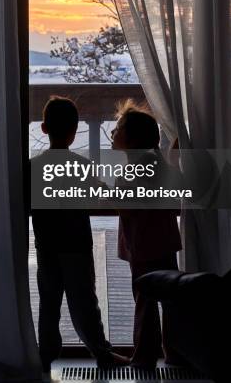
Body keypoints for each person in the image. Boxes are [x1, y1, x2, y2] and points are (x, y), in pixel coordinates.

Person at [31, 96, 127, 376]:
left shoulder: (32, 167)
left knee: (49, 304)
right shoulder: (80, 167)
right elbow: (100, 196)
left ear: (44, 128)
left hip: (47, 246)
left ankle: (45, 357)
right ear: (74, 133)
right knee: (84, 301)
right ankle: (101, 351)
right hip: (76, 244)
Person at [111, 99, 182, 368]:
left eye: (117, 129)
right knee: (169, 299)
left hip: (143, 246)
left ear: (132, 140)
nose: (113, 133)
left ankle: (143, 357)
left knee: (145, 302)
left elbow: (127, 208)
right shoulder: (157, 163)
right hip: (164, 242)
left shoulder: (131, 170)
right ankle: (175, 352)